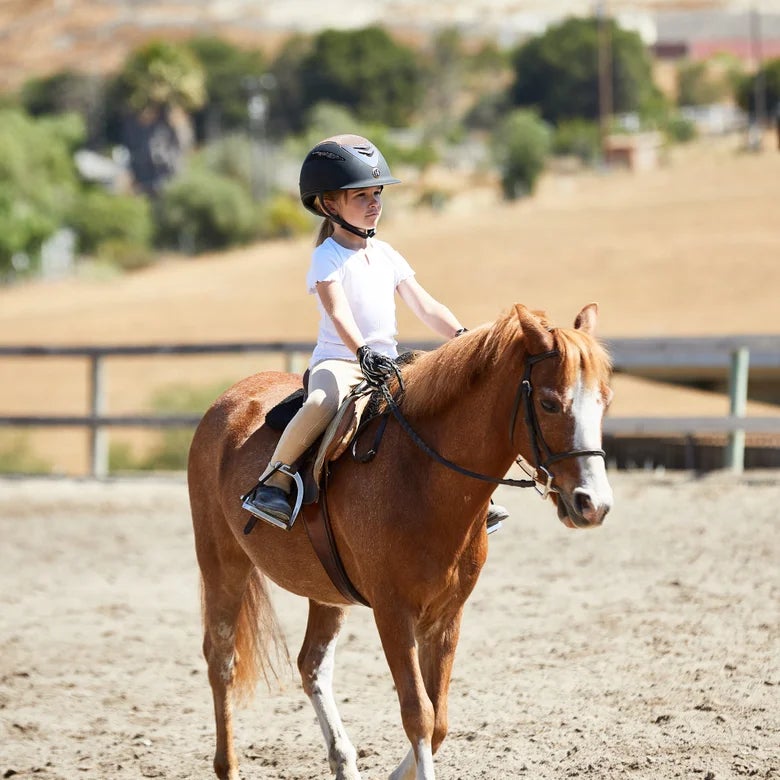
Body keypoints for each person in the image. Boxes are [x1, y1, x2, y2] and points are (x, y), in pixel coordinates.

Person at [242, 134, 508, 533]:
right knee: (319, 402)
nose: (374, 204)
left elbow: (426, 305)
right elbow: (337, 311)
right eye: (361, 196)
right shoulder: (327, 256)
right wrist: (362, 351)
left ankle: (472, 496)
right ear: (330, 205)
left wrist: (461, 335)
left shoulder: (386, 255)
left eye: (377, 194)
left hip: (389, 359)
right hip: (342, 360)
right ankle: (275, 479)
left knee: (446, 404)